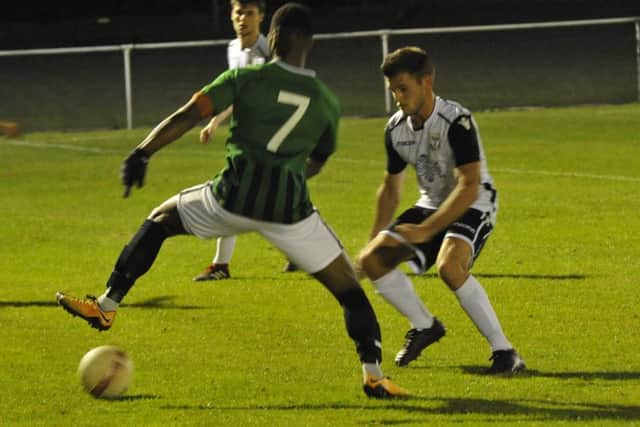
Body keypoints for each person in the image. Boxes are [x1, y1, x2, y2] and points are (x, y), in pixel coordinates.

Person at [56, 3, 409, 399]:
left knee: (159, 221)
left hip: (231, 199)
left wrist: (142, 152)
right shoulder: (327, 101)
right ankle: (374, 374)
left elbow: (189, 115)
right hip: (290, 214)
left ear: (270, 38)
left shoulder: (244, 78)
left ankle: (106, 304)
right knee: (350, 292)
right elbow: (318, 161)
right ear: (310, 43)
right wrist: (288, 177)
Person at [357, 46, 525, 374]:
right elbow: (391, 187)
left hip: (474, 201)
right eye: (393, 91)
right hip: (430, 204)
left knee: (449, 266)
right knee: (372, 260)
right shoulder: (395, 129)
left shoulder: (456, 121)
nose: (398, 98)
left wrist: (425, 230)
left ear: (427, 83)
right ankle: (424, 325)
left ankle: (505, 352)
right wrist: (375, 238)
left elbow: (469, 183)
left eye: (403, 89)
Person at [194, 0, 298, 281]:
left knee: (232, 196)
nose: (243, 19)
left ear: (261, 17)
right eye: (238, 12)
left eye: (250, 13)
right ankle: (303, 253)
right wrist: (215, 120)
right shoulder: (232, 49)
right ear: (231, 15)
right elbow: (238, 93)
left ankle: (220, 266)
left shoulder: (269, 52)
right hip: (248, 137)